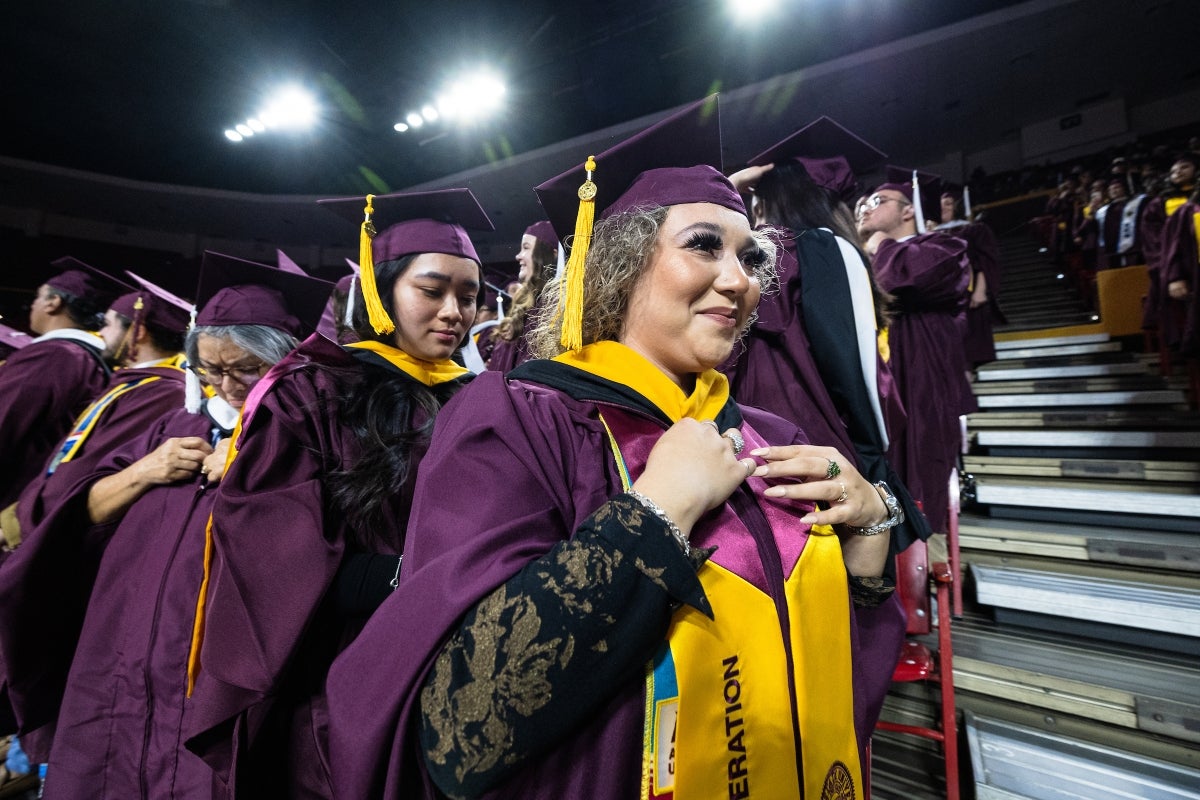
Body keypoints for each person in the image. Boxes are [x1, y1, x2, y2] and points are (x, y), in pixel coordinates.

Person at [327, 97, 900, 800]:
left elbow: (825, 680)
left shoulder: (768, 437)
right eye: (703, 246)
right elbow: (461, 726)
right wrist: (654, 515)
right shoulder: (519, 422)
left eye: (751, 257)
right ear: (622, 263)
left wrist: (871, 535)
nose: (739, 279)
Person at [183, 189, 491, 798]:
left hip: (460, 662)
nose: (454, 311)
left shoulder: (483, 397)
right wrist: (406, 577)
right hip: (343, 671)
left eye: (469, 294)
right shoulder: (314, 392)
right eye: (432, 291)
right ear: (379, 290)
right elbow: (268, 549)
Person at [0, 251, 330, 797]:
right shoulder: (172, 427)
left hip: (213, 683)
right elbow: (80, 512)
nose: (223, 386)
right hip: (117, 667)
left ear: (283, 362)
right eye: (209, 369)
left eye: (244, 370)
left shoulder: (308, 438)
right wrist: (145, 472)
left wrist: (253, 471)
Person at [7, 272, 193, 548]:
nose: (100, 333)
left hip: (58, 532)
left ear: (137, 332)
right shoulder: (136, 383)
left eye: (107, 324)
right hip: (39, 516)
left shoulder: (160, 391)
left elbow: (87, 468)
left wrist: (19, 521)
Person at [857, 167, 972, 537]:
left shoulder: (944, 249)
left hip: (919, 386)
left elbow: (906, 277)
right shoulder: (856, 256)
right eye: (863, 203)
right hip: (873, 387)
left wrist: (880, 246)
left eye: (878, 201)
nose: (865, 209)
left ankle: (924, 561)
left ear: (909, 210)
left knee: (920, 474)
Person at [0, 259, 127, 511]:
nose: (33, 304)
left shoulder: (55, 355)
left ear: (53, 302)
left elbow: (5, 421)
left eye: (38, 297)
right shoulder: (92, 359)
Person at [938, 185, 1005, 366]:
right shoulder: (933, 234)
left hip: (968, 297)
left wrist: (980, 290)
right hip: (944, 302)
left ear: (957, 207)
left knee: (966, 357)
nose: (943, 207)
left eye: (949, 204)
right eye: (940, 204)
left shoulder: (973, 230)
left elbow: (984, 260)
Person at [486, 220, 560, 372]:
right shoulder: (526, 305)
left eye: (526, 248)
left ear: (551, 254)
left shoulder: (554, 308)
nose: (518, 256)